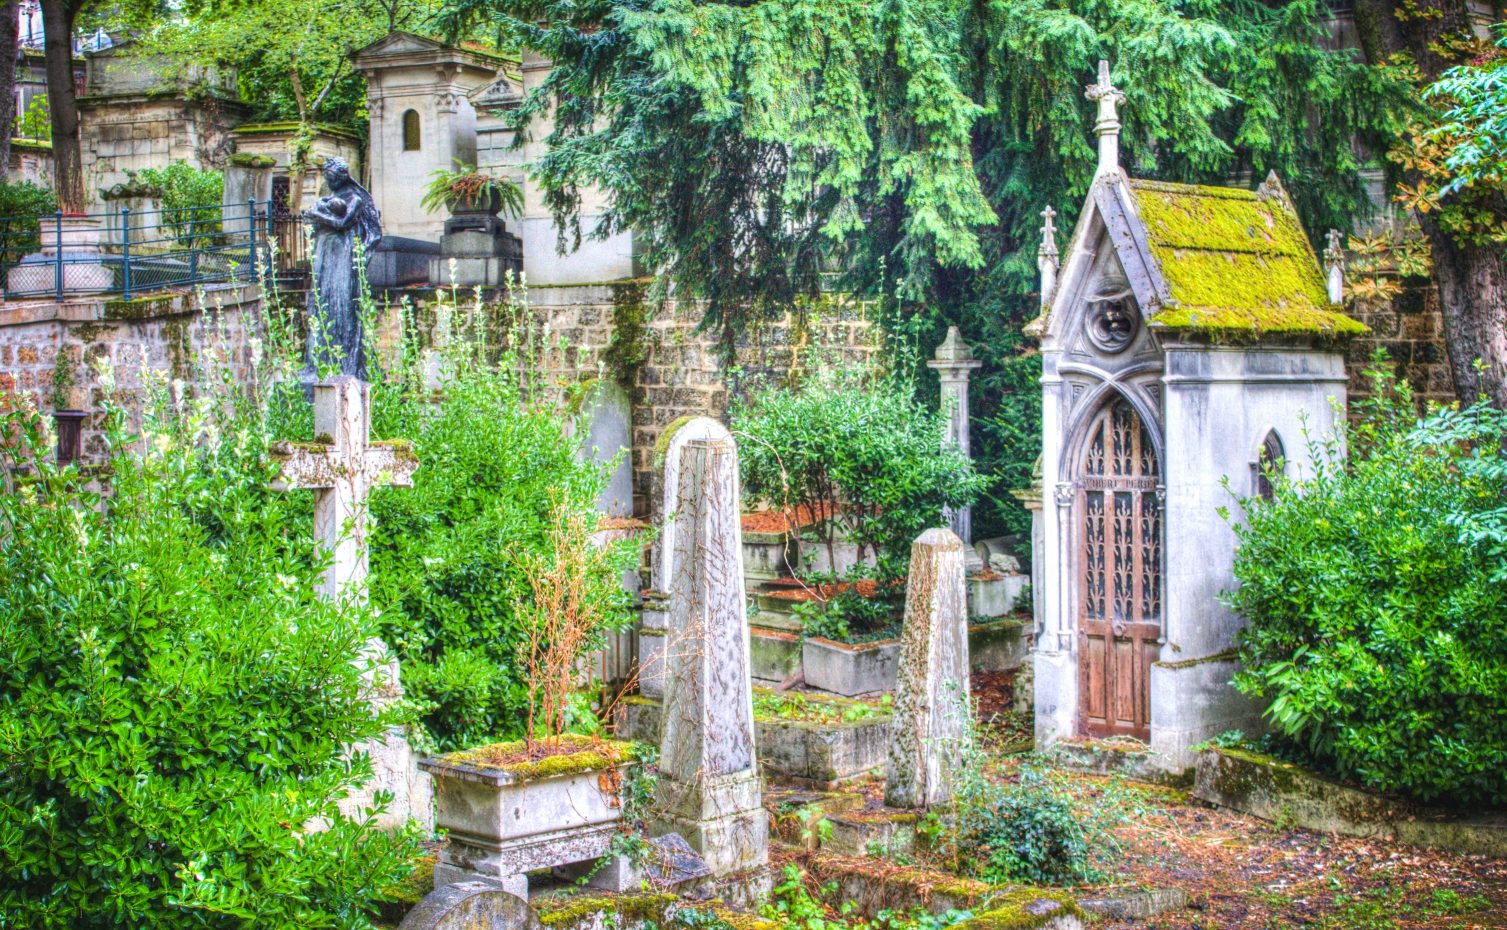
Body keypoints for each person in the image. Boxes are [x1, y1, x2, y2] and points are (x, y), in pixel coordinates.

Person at [303, 157, 382, 381]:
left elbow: (342, 224)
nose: (328, 181)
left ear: (341, 176)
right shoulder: (332, 197)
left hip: (343, 254)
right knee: (321, 301)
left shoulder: (355, 198)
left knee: (342, 302)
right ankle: (319, 361)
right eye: (326, 177)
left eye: (330, 178)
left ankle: (345, 360)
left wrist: (316, 215)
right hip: (326, 252)